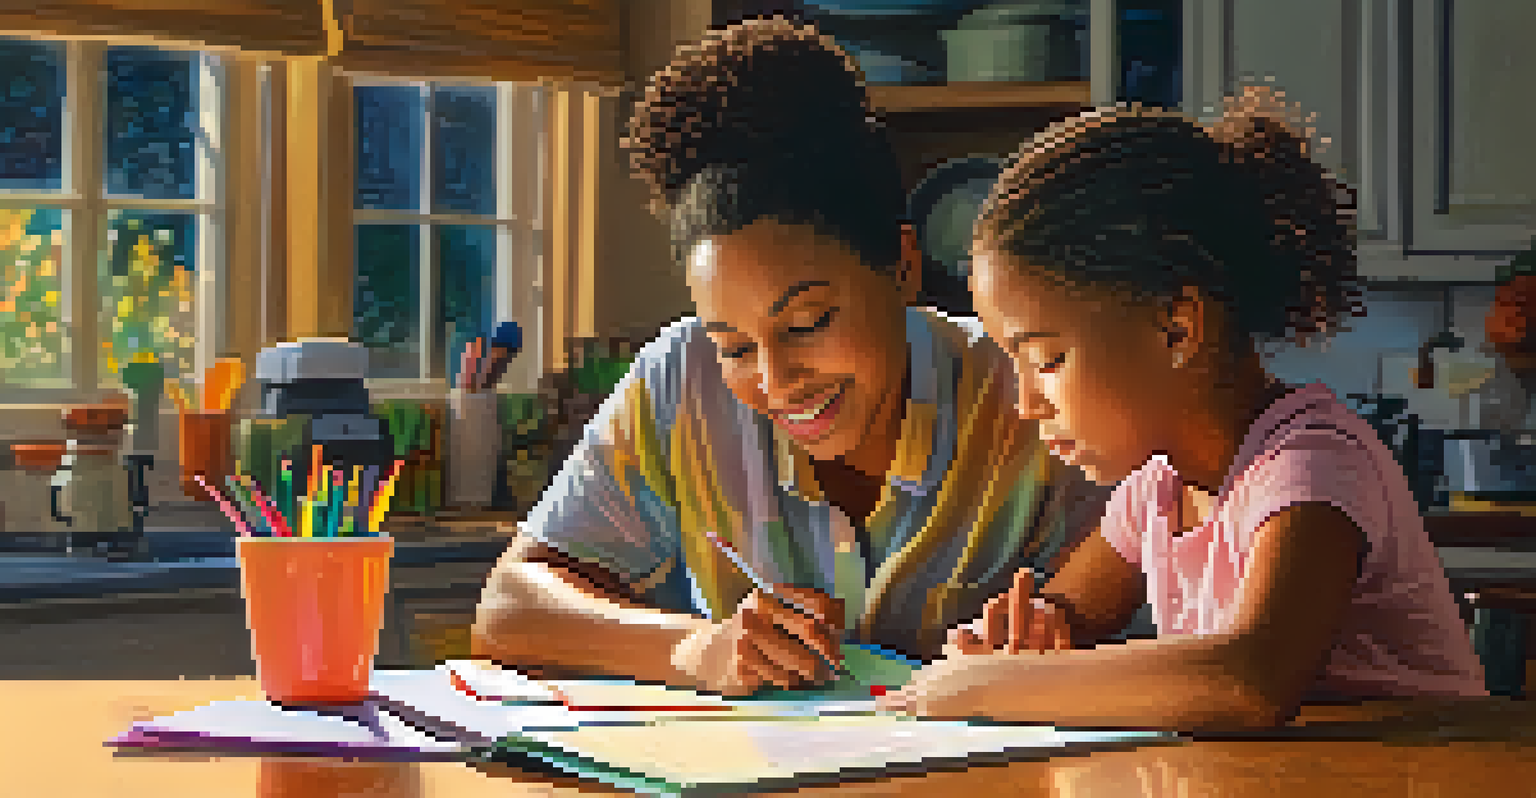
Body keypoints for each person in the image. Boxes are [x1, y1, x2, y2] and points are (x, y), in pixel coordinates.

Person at [471, 17, 1110, 696]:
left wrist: (1053, 636)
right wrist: (694, 647)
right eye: (735, 347)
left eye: (808, 324)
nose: (776, 383)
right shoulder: (682, 378)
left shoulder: (1031, 397)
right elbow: (509, 608)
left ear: (902, 266)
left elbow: (1134, 600)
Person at [879, 90, 1488, 729]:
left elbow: (1249, 682)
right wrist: (1030, 632)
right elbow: (1067, 609)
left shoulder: (1311, 467)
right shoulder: (1157, 492)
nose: (1027, 404)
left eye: (1048, 360)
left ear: (1176, 330)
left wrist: (993, 688)